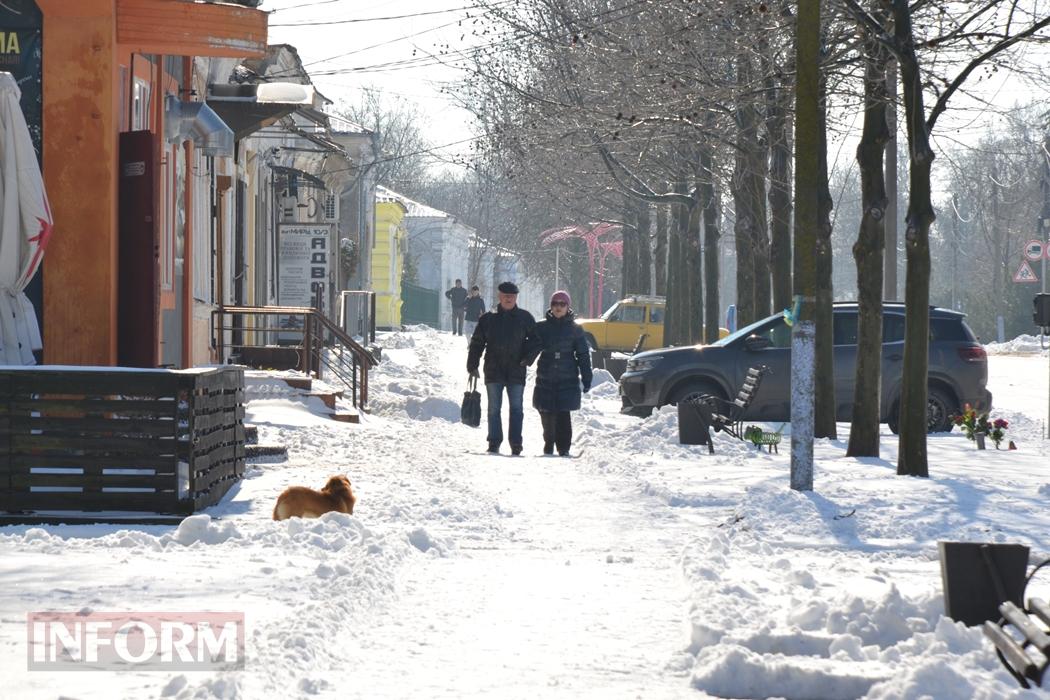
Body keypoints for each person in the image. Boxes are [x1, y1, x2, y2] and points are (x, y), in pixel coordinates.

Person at [467, 281, 537, 455]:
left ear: (516, 298)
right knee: (493, 409)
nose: (509, 299)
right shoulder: (488, 319)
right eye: (505, 295)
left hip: (516, 370)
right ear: (499, 296)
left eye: (512, 296)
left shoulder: (525, 318)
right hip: (493, 369)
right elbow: (477, 343)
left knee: (516, 409)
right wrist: (472, 365)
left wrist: (527, 358)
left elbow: (536, 341)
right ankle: (494, 442)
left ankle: (516, 443)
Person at [528, 290, 592, 456]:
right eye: (555, 304)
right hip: (546, 375)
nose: (558, 307)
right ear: (551, 306)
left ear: (567, 307)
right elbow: (530, 348)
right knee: (546, 411)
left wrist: (587, 378)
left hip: (567, 376)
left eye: (562, 304)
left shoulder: (575, 329)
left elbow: (583, 355)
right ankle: (548, 442)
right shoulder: (541, 327)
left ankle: (564, 448)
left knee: (564, 413)